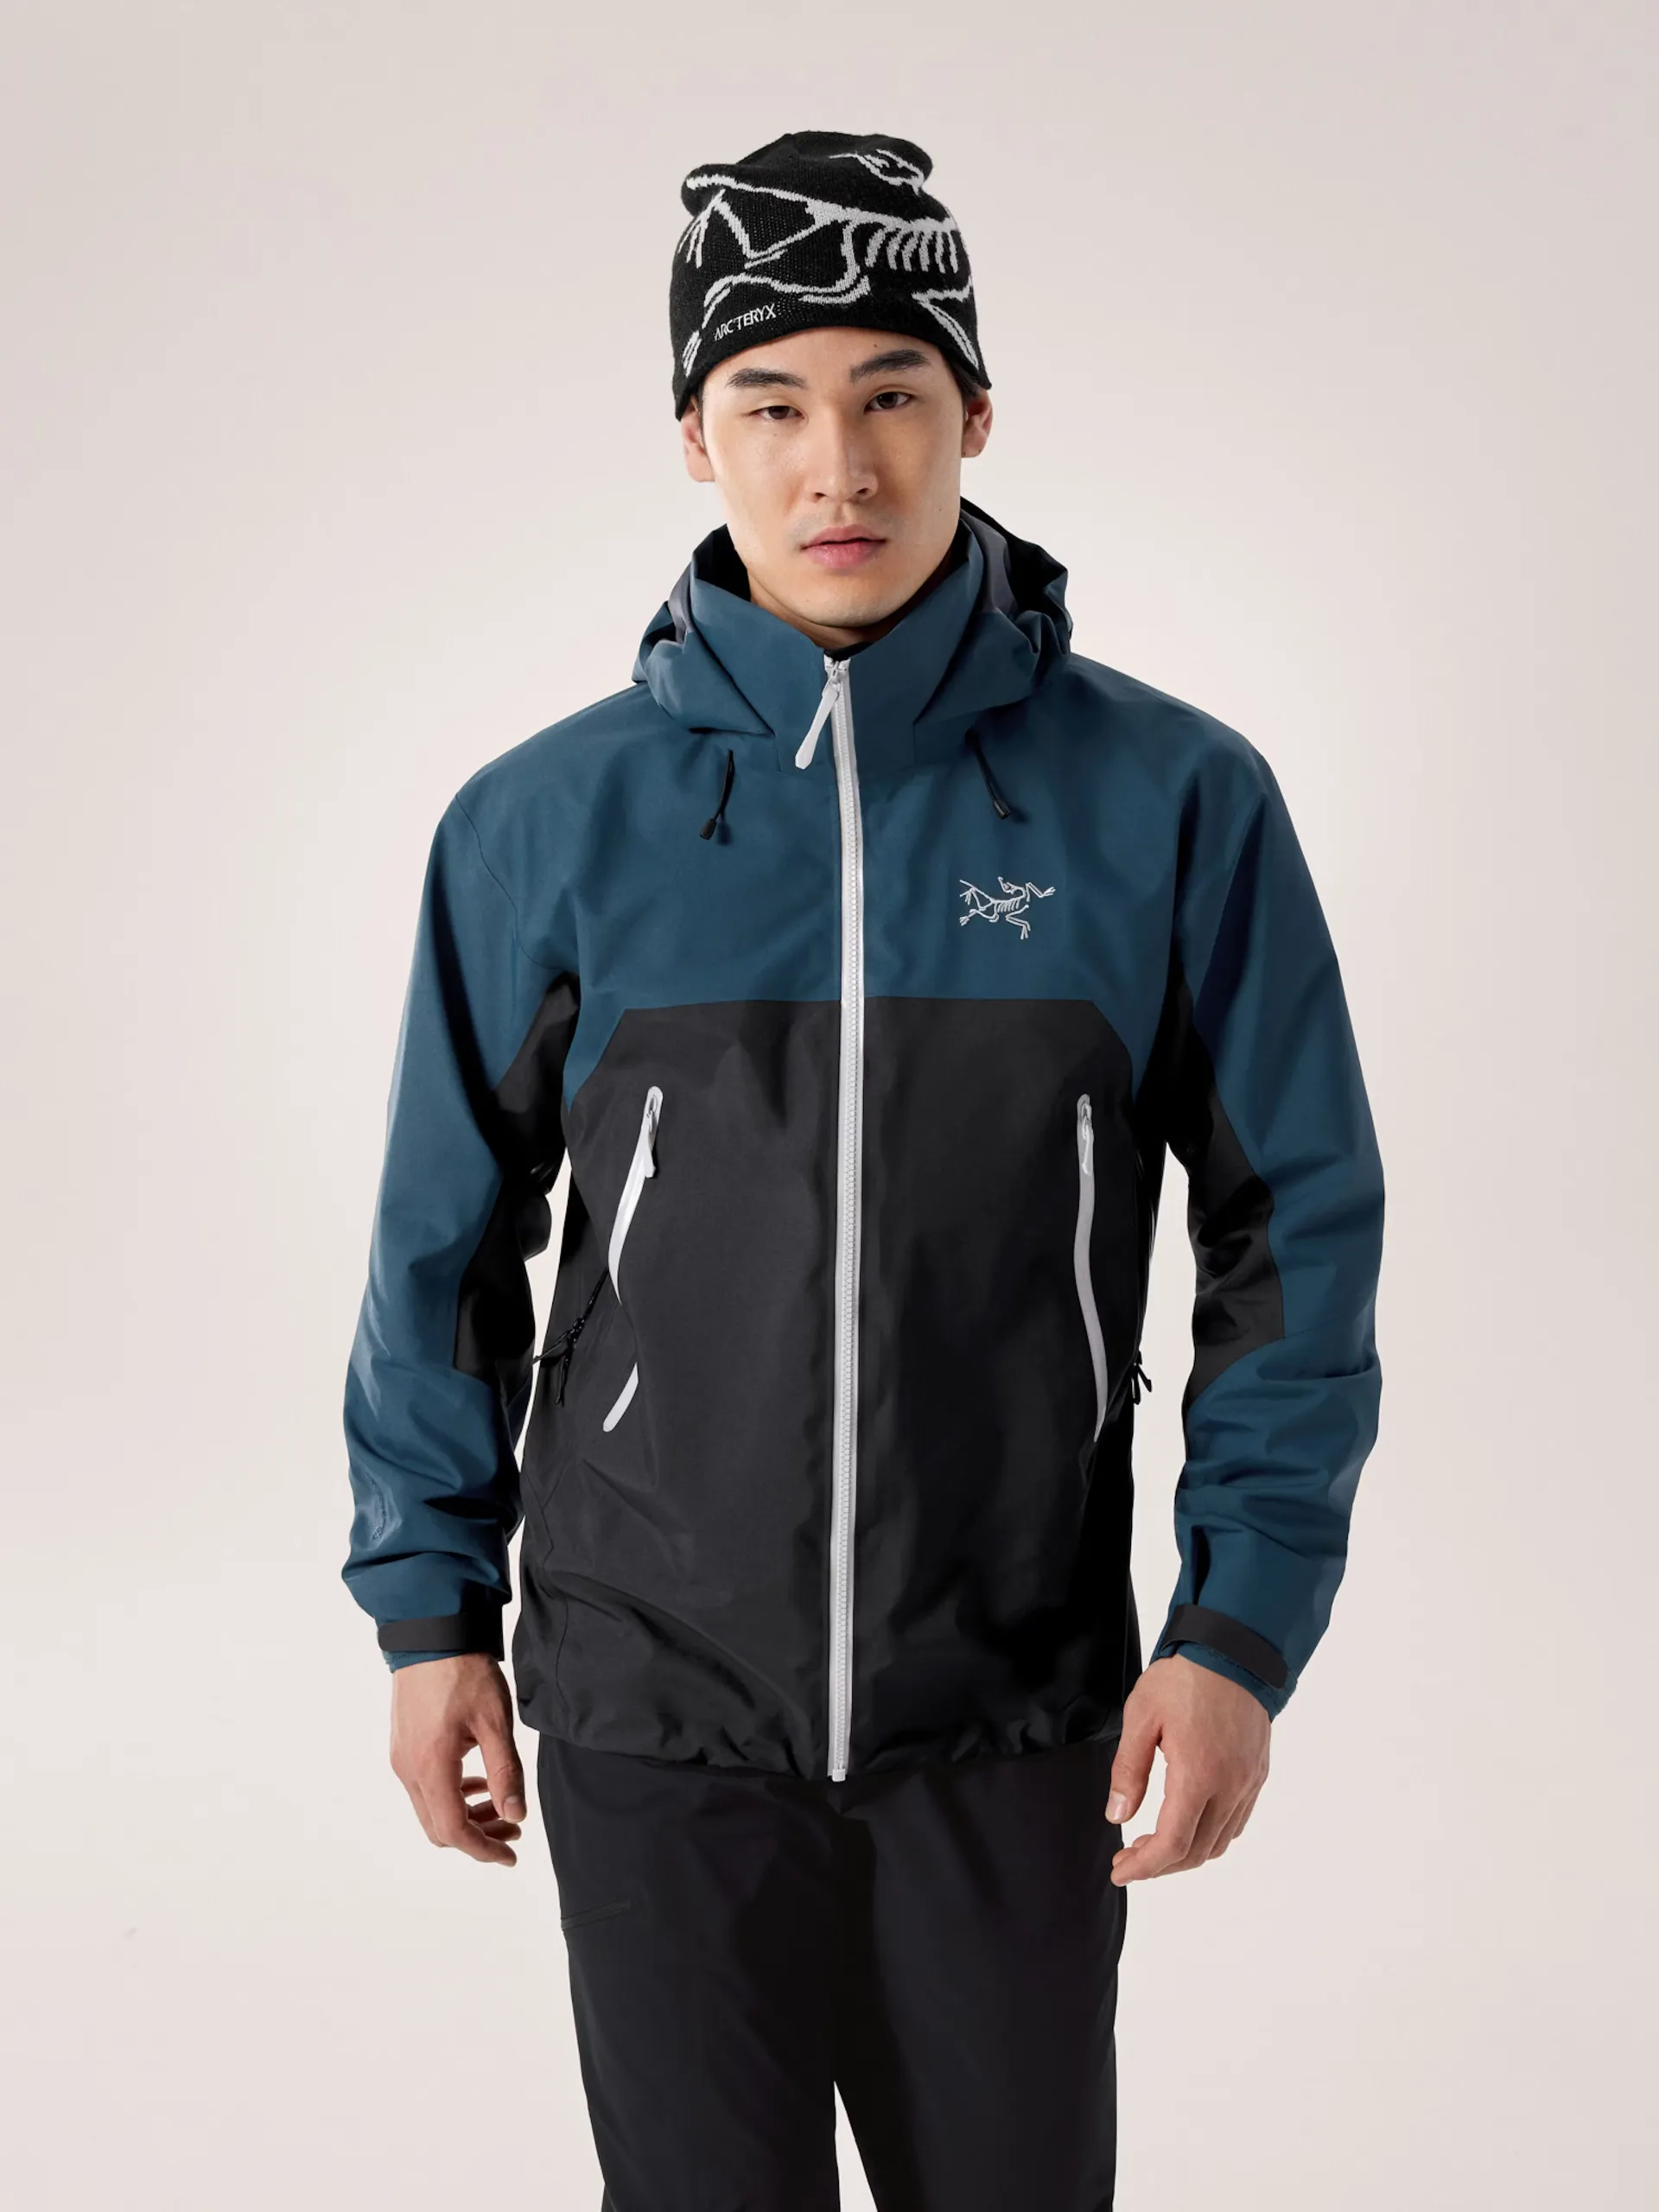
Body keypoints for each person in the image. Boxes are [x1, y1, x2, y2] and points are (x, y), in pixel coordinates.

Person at [340, 129, 1384, 2211]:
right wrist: (426, 1605)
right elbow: (442, 1251)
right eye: (774, 403)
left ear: (975, 415)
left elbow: (1295, 1235)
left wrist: (1238, 1629)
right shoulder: (543, 824)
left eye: (893, 393)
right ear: (696, 438)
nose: (840, 465)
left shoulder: (1173, 801)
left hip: (1011, 1712)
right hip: (652, 1715)